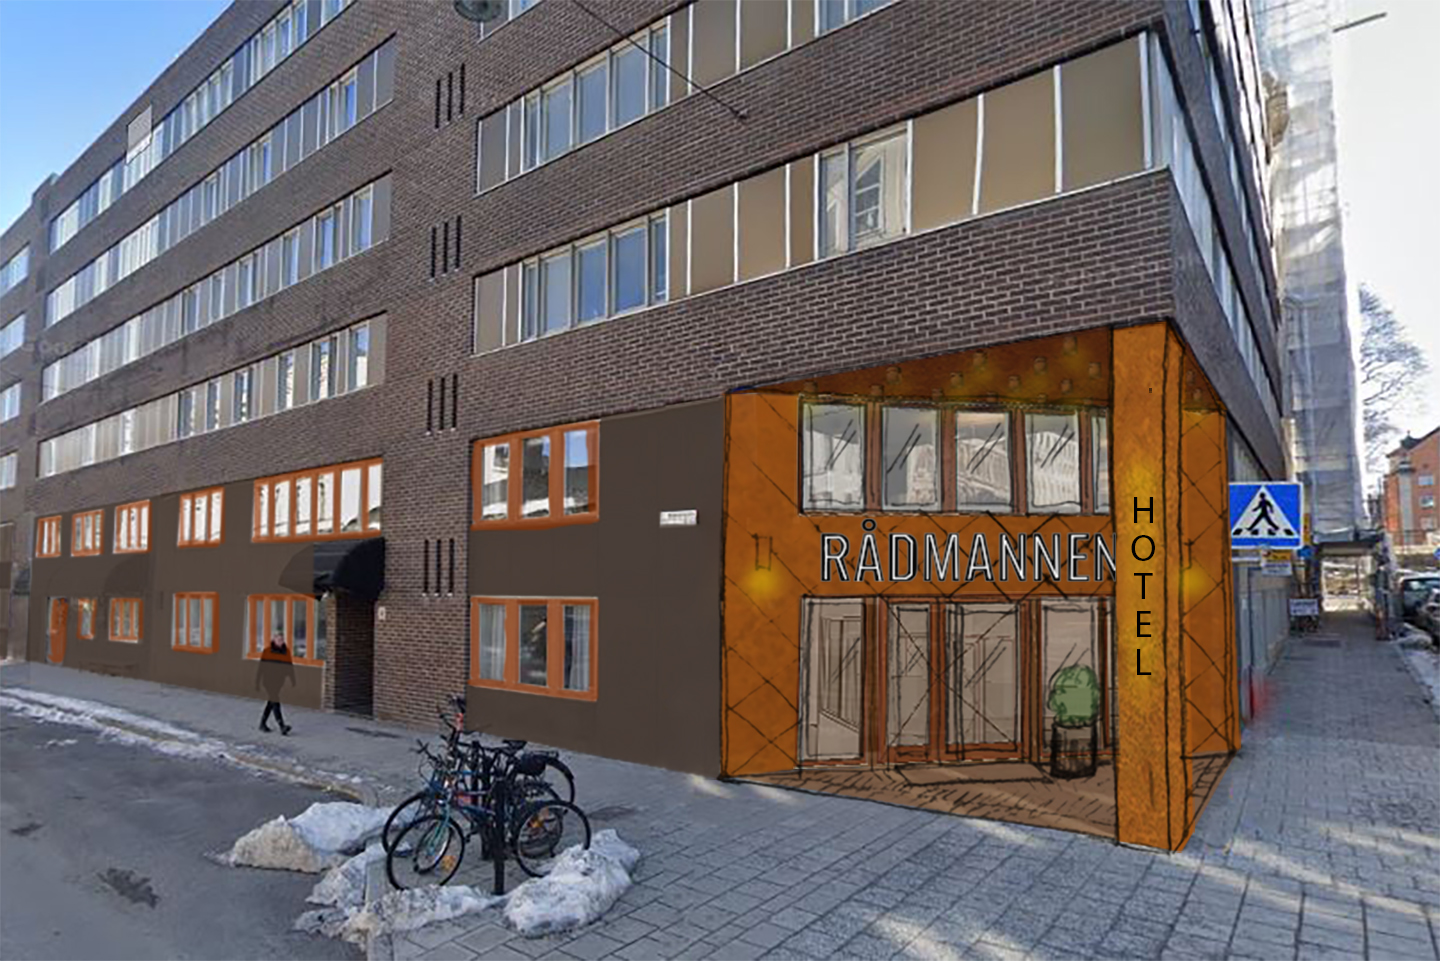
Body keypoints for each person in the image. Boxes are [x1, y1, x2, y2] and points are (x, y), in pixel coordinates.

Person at [256, 630, 295, 735]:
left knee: (271, 702)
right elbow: (261, 667)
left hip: (279, 681)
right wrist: (257, 682)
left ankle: (262, 723)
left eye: (282, 639)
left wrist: (292, 678)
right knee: (275, 700)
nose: (280, 641)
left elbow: (289, 665)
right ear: (274, 640)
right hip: (268, 680)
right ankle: (282, 726)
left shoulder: (285, 651)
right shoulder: (267, 651)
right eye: (278, 639)